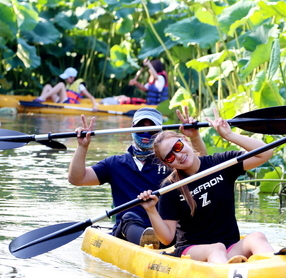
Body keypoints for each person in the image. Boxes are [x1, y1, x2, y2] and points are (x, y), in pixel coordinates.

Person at [138, 109, 276, 263]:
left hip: (229, 248)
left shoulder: (221, 163)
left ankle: (276, 269)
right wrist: (151, 210)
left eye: (177, 147)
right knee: (215, 248)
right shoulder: (170, 187)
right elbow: (166, 239)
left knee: (257, 237)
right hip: (192, 251)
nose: (178, 155)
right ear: (166, 163)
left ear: (185, 139)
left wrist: (229, 135)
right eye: (170, 156)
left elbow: (266, 152)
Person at [68, 106, 206, 247]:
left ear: (160, 133)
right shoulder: (114, 163)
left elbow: (202, 168)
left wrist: (194, 137)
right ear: (132, 128)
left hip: (166, 231)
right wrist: (82, 147)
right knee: (129, 217)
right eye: (140, 129)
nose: (146, 134)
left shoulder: (170, 161)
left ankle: (155, 241)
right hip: (127, 232)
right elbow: (77, 179)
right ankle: (147, 241)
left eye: (152, 130)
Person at [100, 58, 169, 106]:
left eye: (150, 69)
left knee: (125, 101)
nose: (149, 70)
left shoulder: (160, 77)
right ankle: (112, 101)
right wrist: (136, 83)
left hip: (156, 105)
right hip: (149, 103)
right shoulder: (152, 79)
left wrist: (149, 64)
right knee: (123, 97)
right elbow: (145, 88)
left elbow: (156, 77)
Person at [33, 67, 100, 110]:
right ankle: (41, 100)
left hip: (68, 103)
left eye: (67, 78)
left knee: (61, 84)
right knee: (48, 86)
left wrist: (95, 106)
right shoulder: (69, 85)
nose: (66, 80)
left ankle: (42, 98)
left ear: (72, 77)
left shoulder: (80, 85)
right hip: (60, 100)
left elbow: (91, 97)